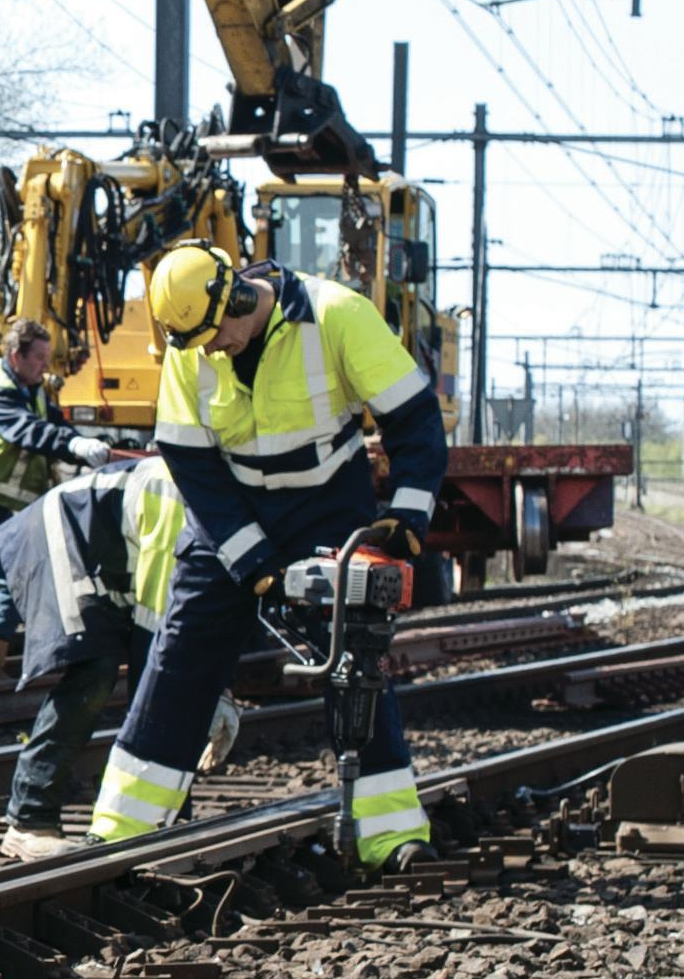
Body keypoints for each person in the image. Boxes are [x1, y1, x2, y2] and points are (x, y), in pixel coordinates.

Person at [86, 247, 446, 870]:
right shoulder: (190, 344)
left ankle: (391, 835)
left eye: (216, 337)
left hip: (328, 506)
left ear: (242, 299)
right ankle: (121, 832)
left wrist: (408, 518)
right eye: (195, 344)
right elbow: (190, 461)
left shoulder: (338, 316)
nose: (211, 352)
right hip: (229, 510)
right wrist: (253, 562)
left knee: (353, 662)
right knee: (181, 655)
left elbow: (415, 421)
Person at [0, 454, 184, 855]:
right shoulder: (180, 501)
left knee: (143, 682)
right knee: (94, 670)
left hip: (103, 555)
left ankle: (163, 815)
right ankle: (29, 820)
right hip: (63, 536)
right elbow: (157, 631)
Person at [0, 317, 110, 706]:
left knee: (18, 582)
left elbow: (52, 425)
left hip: (4, 502)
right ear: (17, 356)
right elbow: (28, 432)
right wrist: (75, 447)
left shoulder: (33, 389)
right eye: (40, 358)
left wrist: (82, 442)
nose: (46, 365)